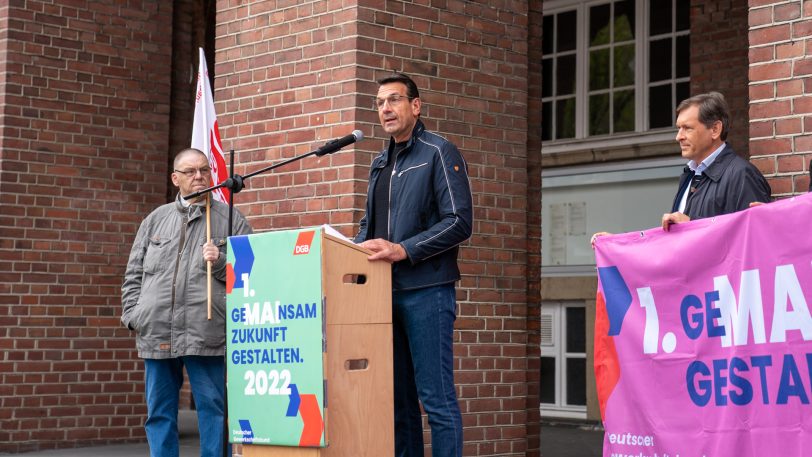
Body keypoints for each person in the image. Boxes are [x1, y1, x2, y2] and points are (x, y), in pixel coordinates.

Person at [355, 73, 473, 457]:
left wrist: (404, 250)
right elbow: (367, 225)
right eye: (379, 103)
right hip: (382, 295)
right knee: (398, 403)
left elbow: (459, 221)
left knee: (436, 401)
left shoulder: (439, 152)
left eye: (394, 100)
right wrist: (351, 251)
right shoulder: (378, 163)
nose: (385, 109)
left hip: (427, 293)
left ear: (415, 106)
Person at [121, 148, 252, 457]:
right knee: (159, 412)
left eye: (204, 170)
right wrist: (133, 315)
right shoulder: (155, 220)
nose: (199, 176)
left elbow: (250, 275)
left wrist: (220, 261)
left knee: (213, 410)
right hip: (156, 329)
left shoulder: (230, 219)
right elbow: (134, 273)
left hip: (207, 330)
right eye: (191, 171)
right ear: (175, 178)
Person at [660, 91, 771, 230]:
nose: (678, 137)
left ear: (715, 129)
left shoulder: (742, 175)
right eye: (678, 128)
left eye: (687, 128)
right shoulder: (689, 175)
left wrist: (691, 225)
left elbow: (753, 237)